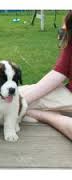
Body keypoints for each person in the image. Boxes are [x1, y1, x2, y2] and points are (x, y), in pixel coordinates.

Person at [20, 11, 72, 140]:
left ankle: (43, 115)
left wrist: (39, 114)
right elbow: (60, 72)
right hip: (68, 93)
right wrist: (22, 101)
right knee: (3, 99)